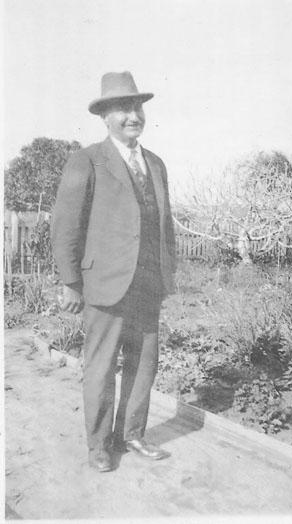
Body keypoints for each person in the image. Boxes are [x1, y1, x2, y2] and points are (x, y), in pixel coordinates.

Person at [51, 71, 176, 472]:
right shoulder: (86, 160)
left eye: (137, 106)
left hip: (147, 284)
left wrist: (166, 274)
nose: (132, 115)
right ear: (105, 116)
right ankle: (99, 445)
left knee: (143, 363)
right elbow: (66, 225)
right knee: (101, 367)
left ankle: (133, 433)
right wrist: (71, 283)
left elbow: (165, 226)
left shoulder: (155, 163)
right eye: (122, 108)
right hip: (103, 285)